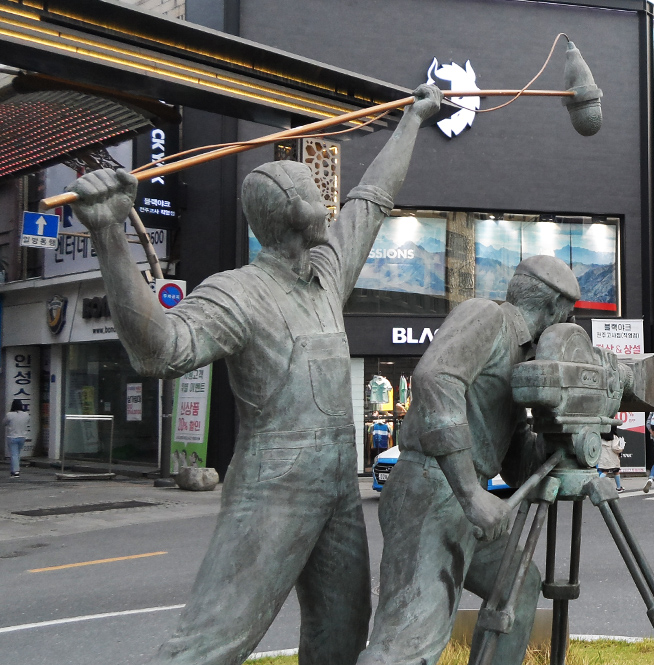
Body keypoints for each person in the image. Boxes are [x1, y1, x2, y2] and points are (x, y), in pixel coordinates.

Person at [68, 85, 442, 665]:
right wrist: (110, 234)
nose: (328, 203)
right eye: (317, 196)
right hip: (274, 487)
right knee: (213, 641)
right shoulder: (237, 293)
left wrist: (414, 120)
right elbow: (161, 351)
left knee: (342, 631)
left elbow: (372, 199)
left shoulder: (325, 274)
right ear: (295, 214)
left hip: (339, 488)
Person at [361, 255, 581, 665]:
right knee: (408, 642)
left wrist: (560, 436)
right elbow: (435, 377)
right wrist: (468, 491)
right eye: (568, 313)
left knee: (517, 583)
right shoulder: (488, 317)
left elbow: (516, 463)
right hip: (432, 490)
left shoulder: (522, 357)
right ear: (554, 308)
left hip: (466, 500)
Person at [597, 425, 626, 491]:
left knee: (604, 471)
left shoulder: (601, 436)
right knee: (616, 471)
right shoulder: (614, 437)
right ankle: (618, 487)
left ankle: (596, 484)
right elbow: (615, 447)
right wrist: (621, 449)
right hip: (612, 458)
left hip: (603, 457)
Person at [5, 400, 29, 478]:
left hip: (12, 436)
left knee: (14, 455)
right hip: (22, 436)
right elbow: (27, 422)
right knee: (17, 454)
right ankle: (13, 470)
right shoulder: (26, 414)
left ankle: (15, 471)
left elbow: (4, 423)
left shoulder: (9, 414)